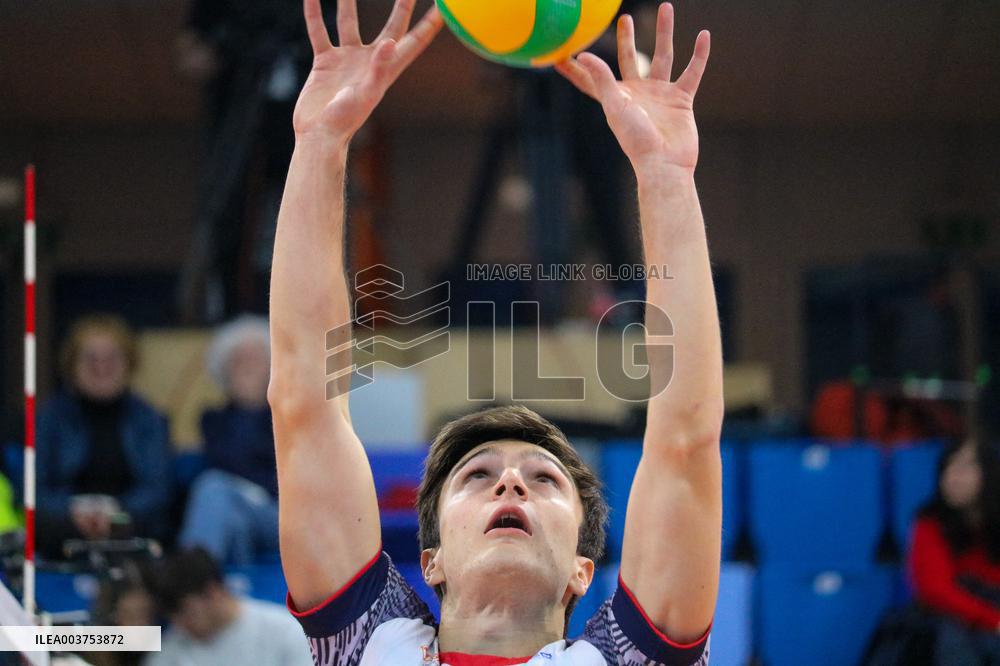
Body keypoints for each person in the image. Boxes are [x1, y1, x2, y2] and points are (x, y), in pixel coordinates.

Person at [268, 0, 721, 664]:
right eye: (478, 475)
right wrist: (320, 142)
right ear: (432, 559)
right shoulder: (373, 643)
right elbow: (304, 401)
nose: (511, 483)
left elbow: (686, 442)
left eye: (544, 480)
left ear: (582, 570)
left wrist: (666, 177)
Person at [36, 315, 173, 557]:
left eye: (111, 359)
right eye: (90, 359)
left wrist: (116, 512)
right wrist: (73, 511)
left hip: (128, 525)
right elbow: (35, 487)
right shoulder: (52, 417)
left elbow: (157, 488)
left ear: (129, 364)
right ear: (72, 365)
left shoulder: (148, 418)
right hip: (65, 527)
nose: (101, 367)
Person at [178, 315, 279, 565]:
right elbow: (231, 461)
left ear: (273, 367)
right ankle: (226, 585)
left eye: (255, 359)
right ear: (224, 371)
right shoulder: (212, 419)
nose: (247, 368)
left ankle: (188, 576)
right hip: (234, 507)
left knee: (212, 486)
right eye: (239, 361)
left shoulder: (290, 418)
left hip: (279, 515)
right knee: (234, 524)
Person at [909, 440, 1000, 665]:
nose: (952, 477)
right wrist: (994, 621)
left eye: (964, 467)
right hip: (956, 619)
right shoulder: (930, 522)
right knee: (952, 629)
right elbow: (936, 590)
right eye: (947, 468)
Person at [143, 548, 312, 666]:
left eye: (186, 612)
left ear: (212, 593)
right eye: (173, 618)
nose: (180, 624)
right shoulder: (172, 647)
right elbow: (125, 641)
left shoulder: (286, 633)